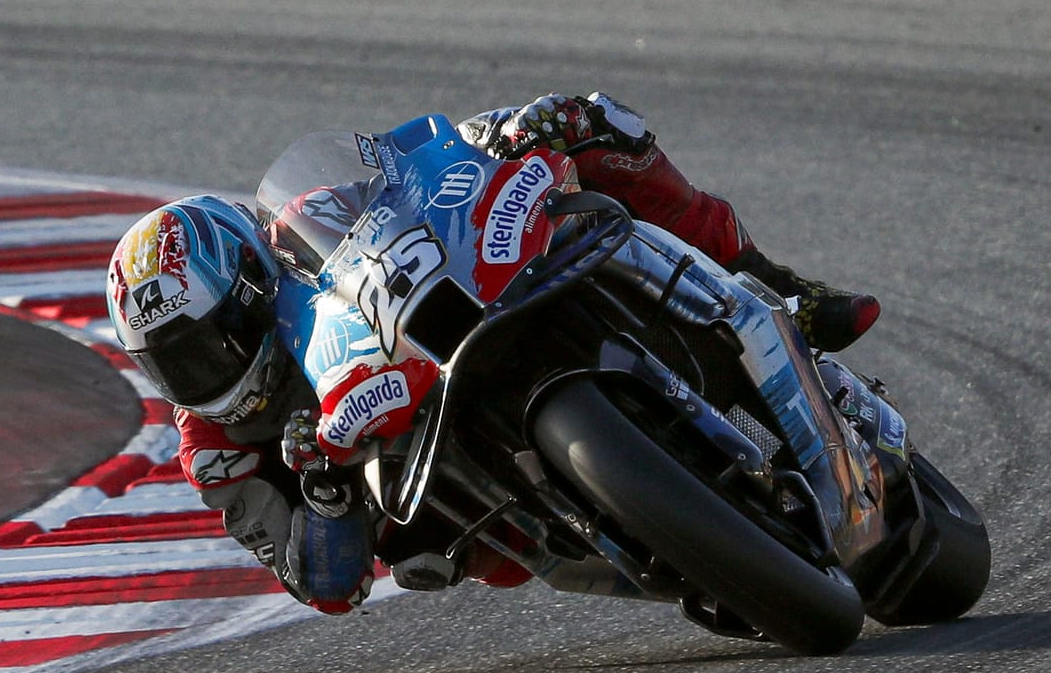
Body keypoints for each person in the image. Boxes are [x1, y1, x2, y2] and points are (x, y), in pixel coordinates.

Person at [104, 92, 882, 614]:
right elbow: (325, 587)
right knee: (427, 555)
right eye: (173, 364)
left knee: (589, 125)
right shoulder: (215, 450)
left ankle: (781, 288)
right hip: (445, 490)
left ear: (250, 282)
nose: (202, 373)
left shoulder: (306, 218)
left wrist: (506, 134)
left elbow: (413, 172)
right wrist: (326, 493)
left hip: (461, 310)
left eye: (207, 343)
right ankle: (648, 531)